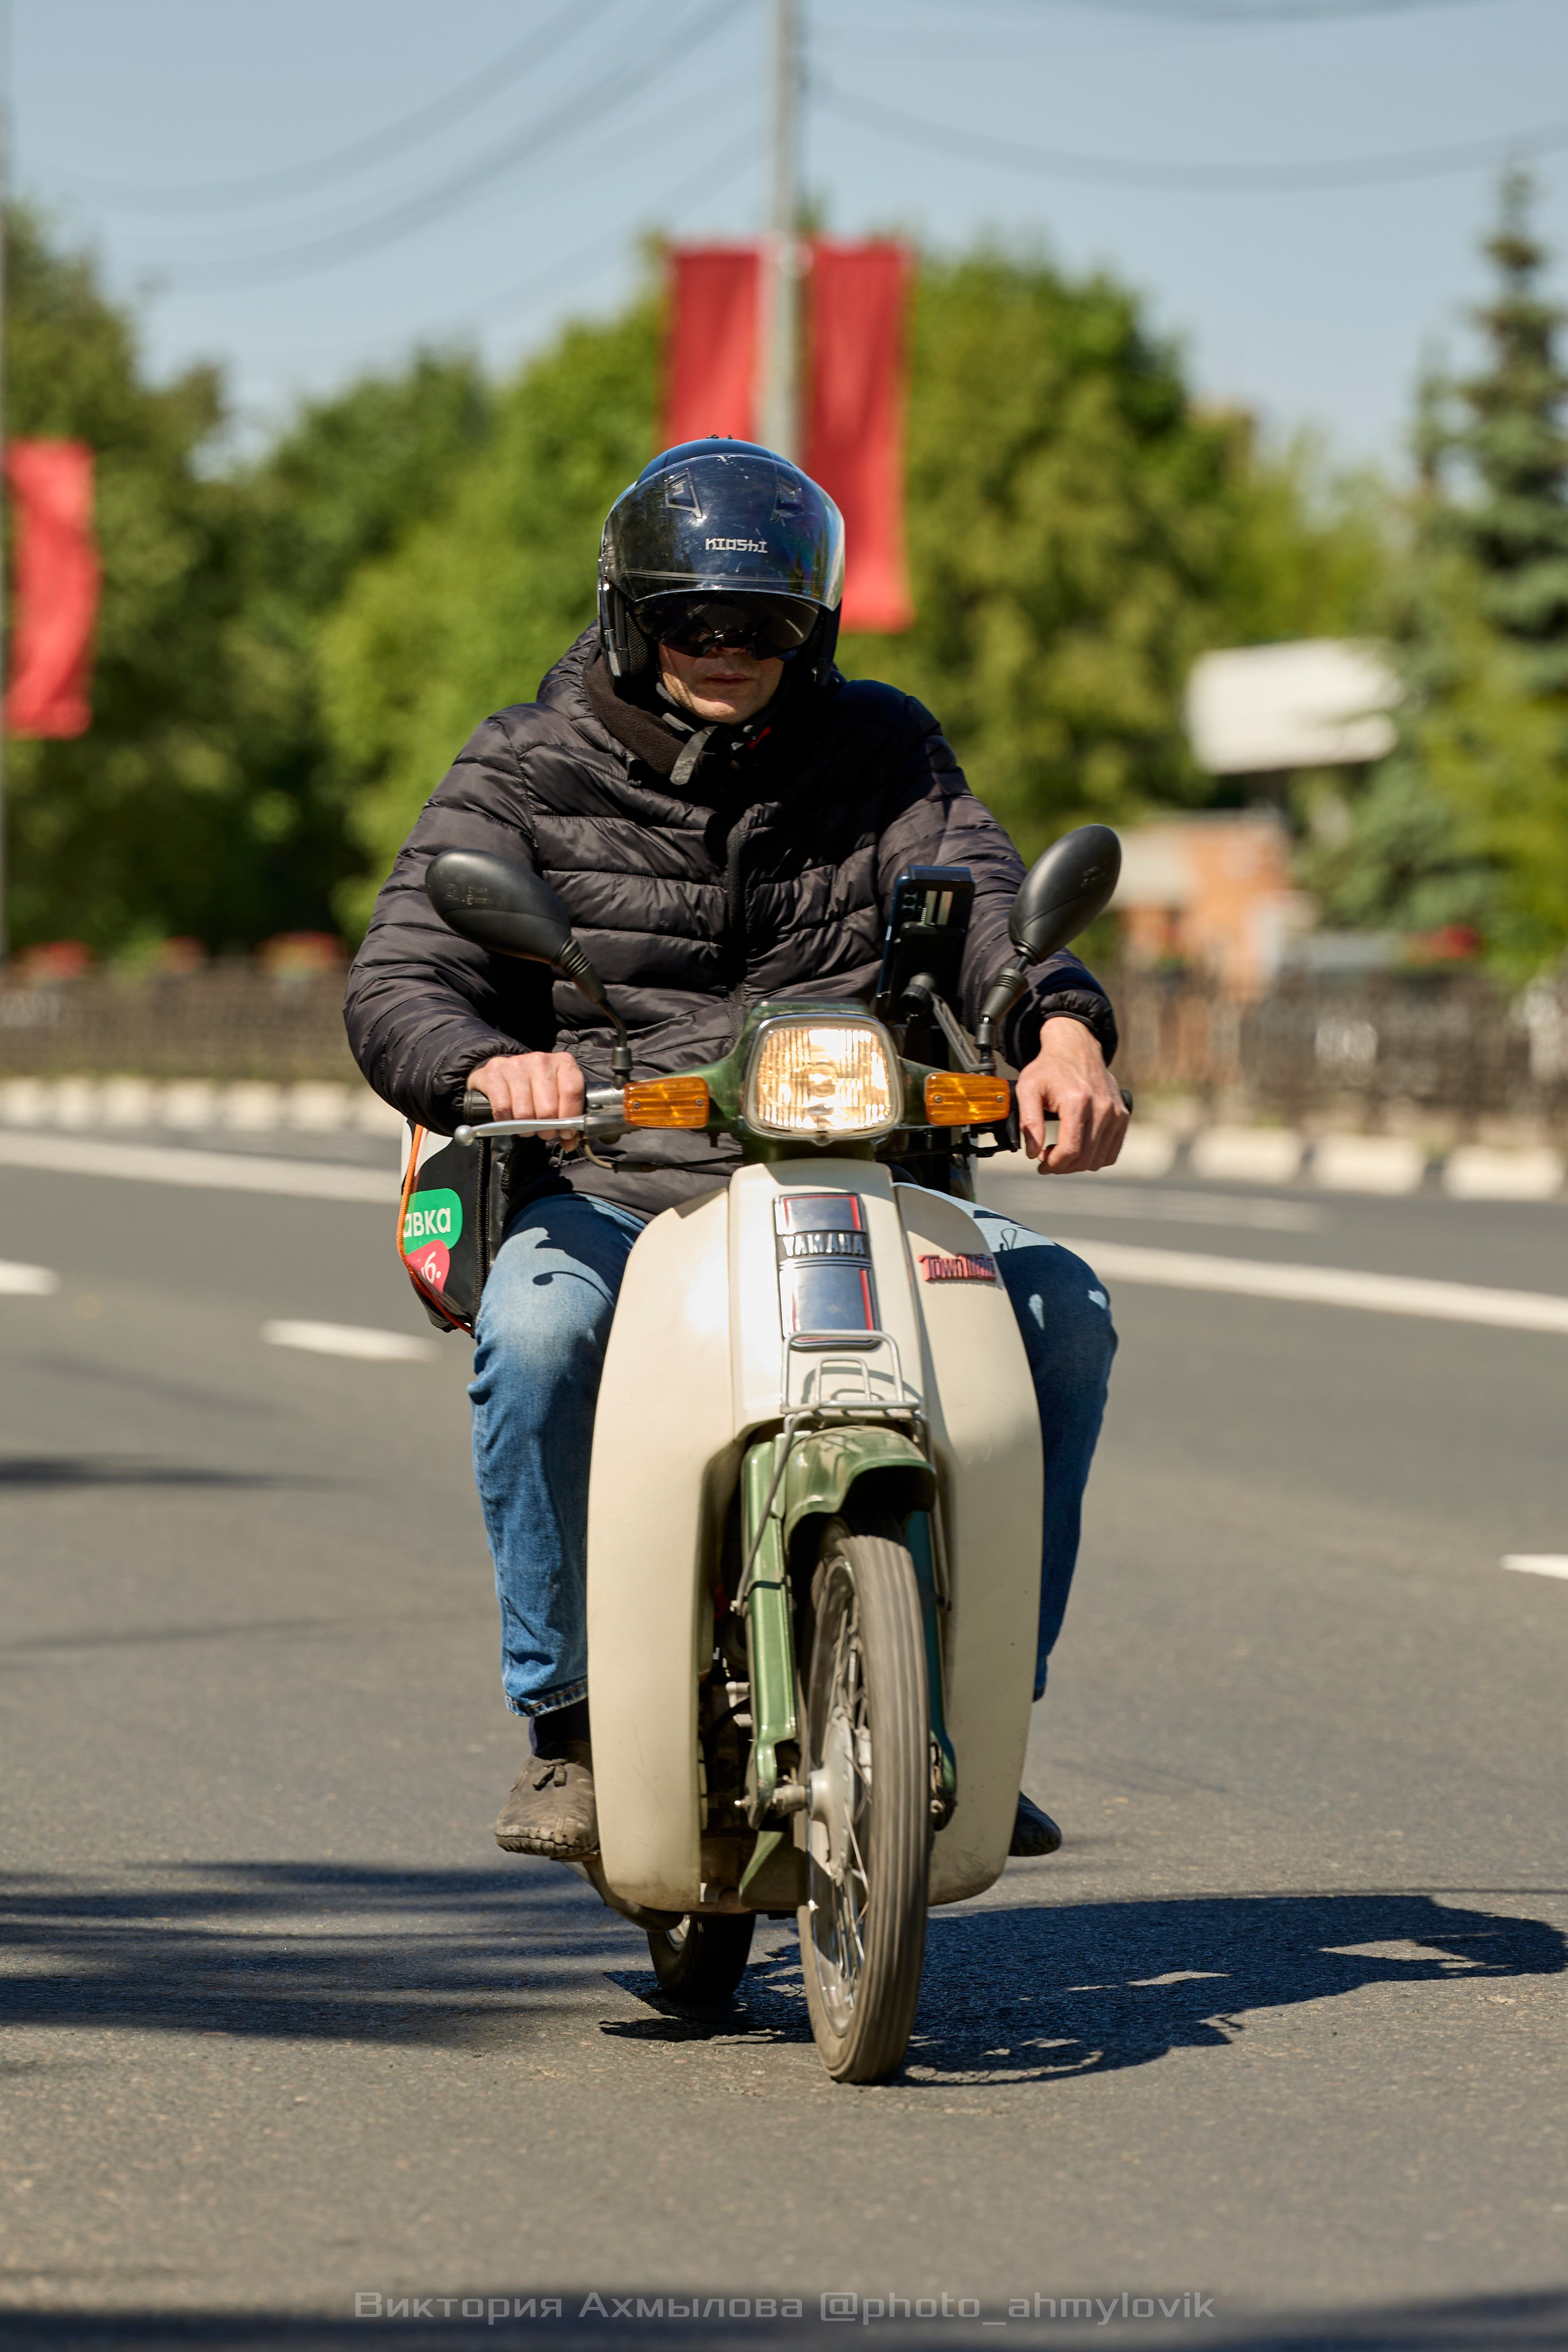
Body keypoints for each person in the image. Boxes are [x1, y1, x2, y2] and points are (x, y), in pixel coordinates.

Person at [345, 439, 1127, 1864]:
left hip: (860, 1184)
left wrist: (1059, 1034)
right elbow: (400, 975)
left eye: (762, 624)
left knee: (1060, 1311)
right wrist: (482, 1065)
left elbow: (992, 917)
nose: (726, 649)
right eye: (691, 620)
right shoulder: (523, 765)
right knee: (531, 1336)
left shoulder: (882, 749)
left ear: (810, 631)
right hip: (620, 1189)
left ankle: (976, 1704)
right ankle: (569, 1721)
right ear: (625, 618)